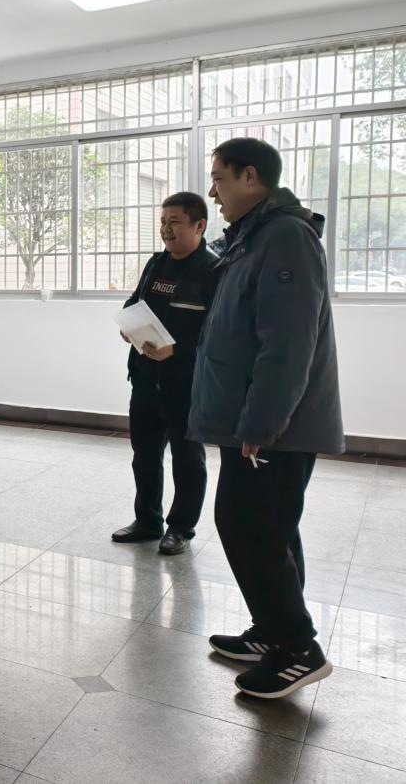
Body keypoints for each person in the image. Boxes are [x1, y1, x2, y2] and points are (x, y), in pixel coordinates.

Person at [189, 137, 343, 699]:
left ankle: (298, 649)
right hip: (252, 421)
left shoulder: (284, 237)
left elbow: (287, 344)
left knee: (248, 525)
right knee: (268, 528)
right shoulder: (252, 238)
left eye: (219, 178)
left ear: (250, 177)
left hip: (273, 427)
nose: (213, 191)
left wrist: (262, 422)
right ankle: (272, 631)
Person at [111, 192, 219, 556]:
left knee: (187, 460)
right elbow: (135, 302)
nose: (166, 229)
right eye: (163, 222)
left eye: (175, 222)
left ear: (199, 225)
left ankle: (181, 528)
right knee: (144, 455)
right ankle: (148, 521)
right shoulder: (157, 263)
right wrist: (128, 325)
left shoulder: (213, 270)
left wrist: (178, 349)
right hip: (145, 378)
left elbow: (217, 330)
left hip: (185, 383)